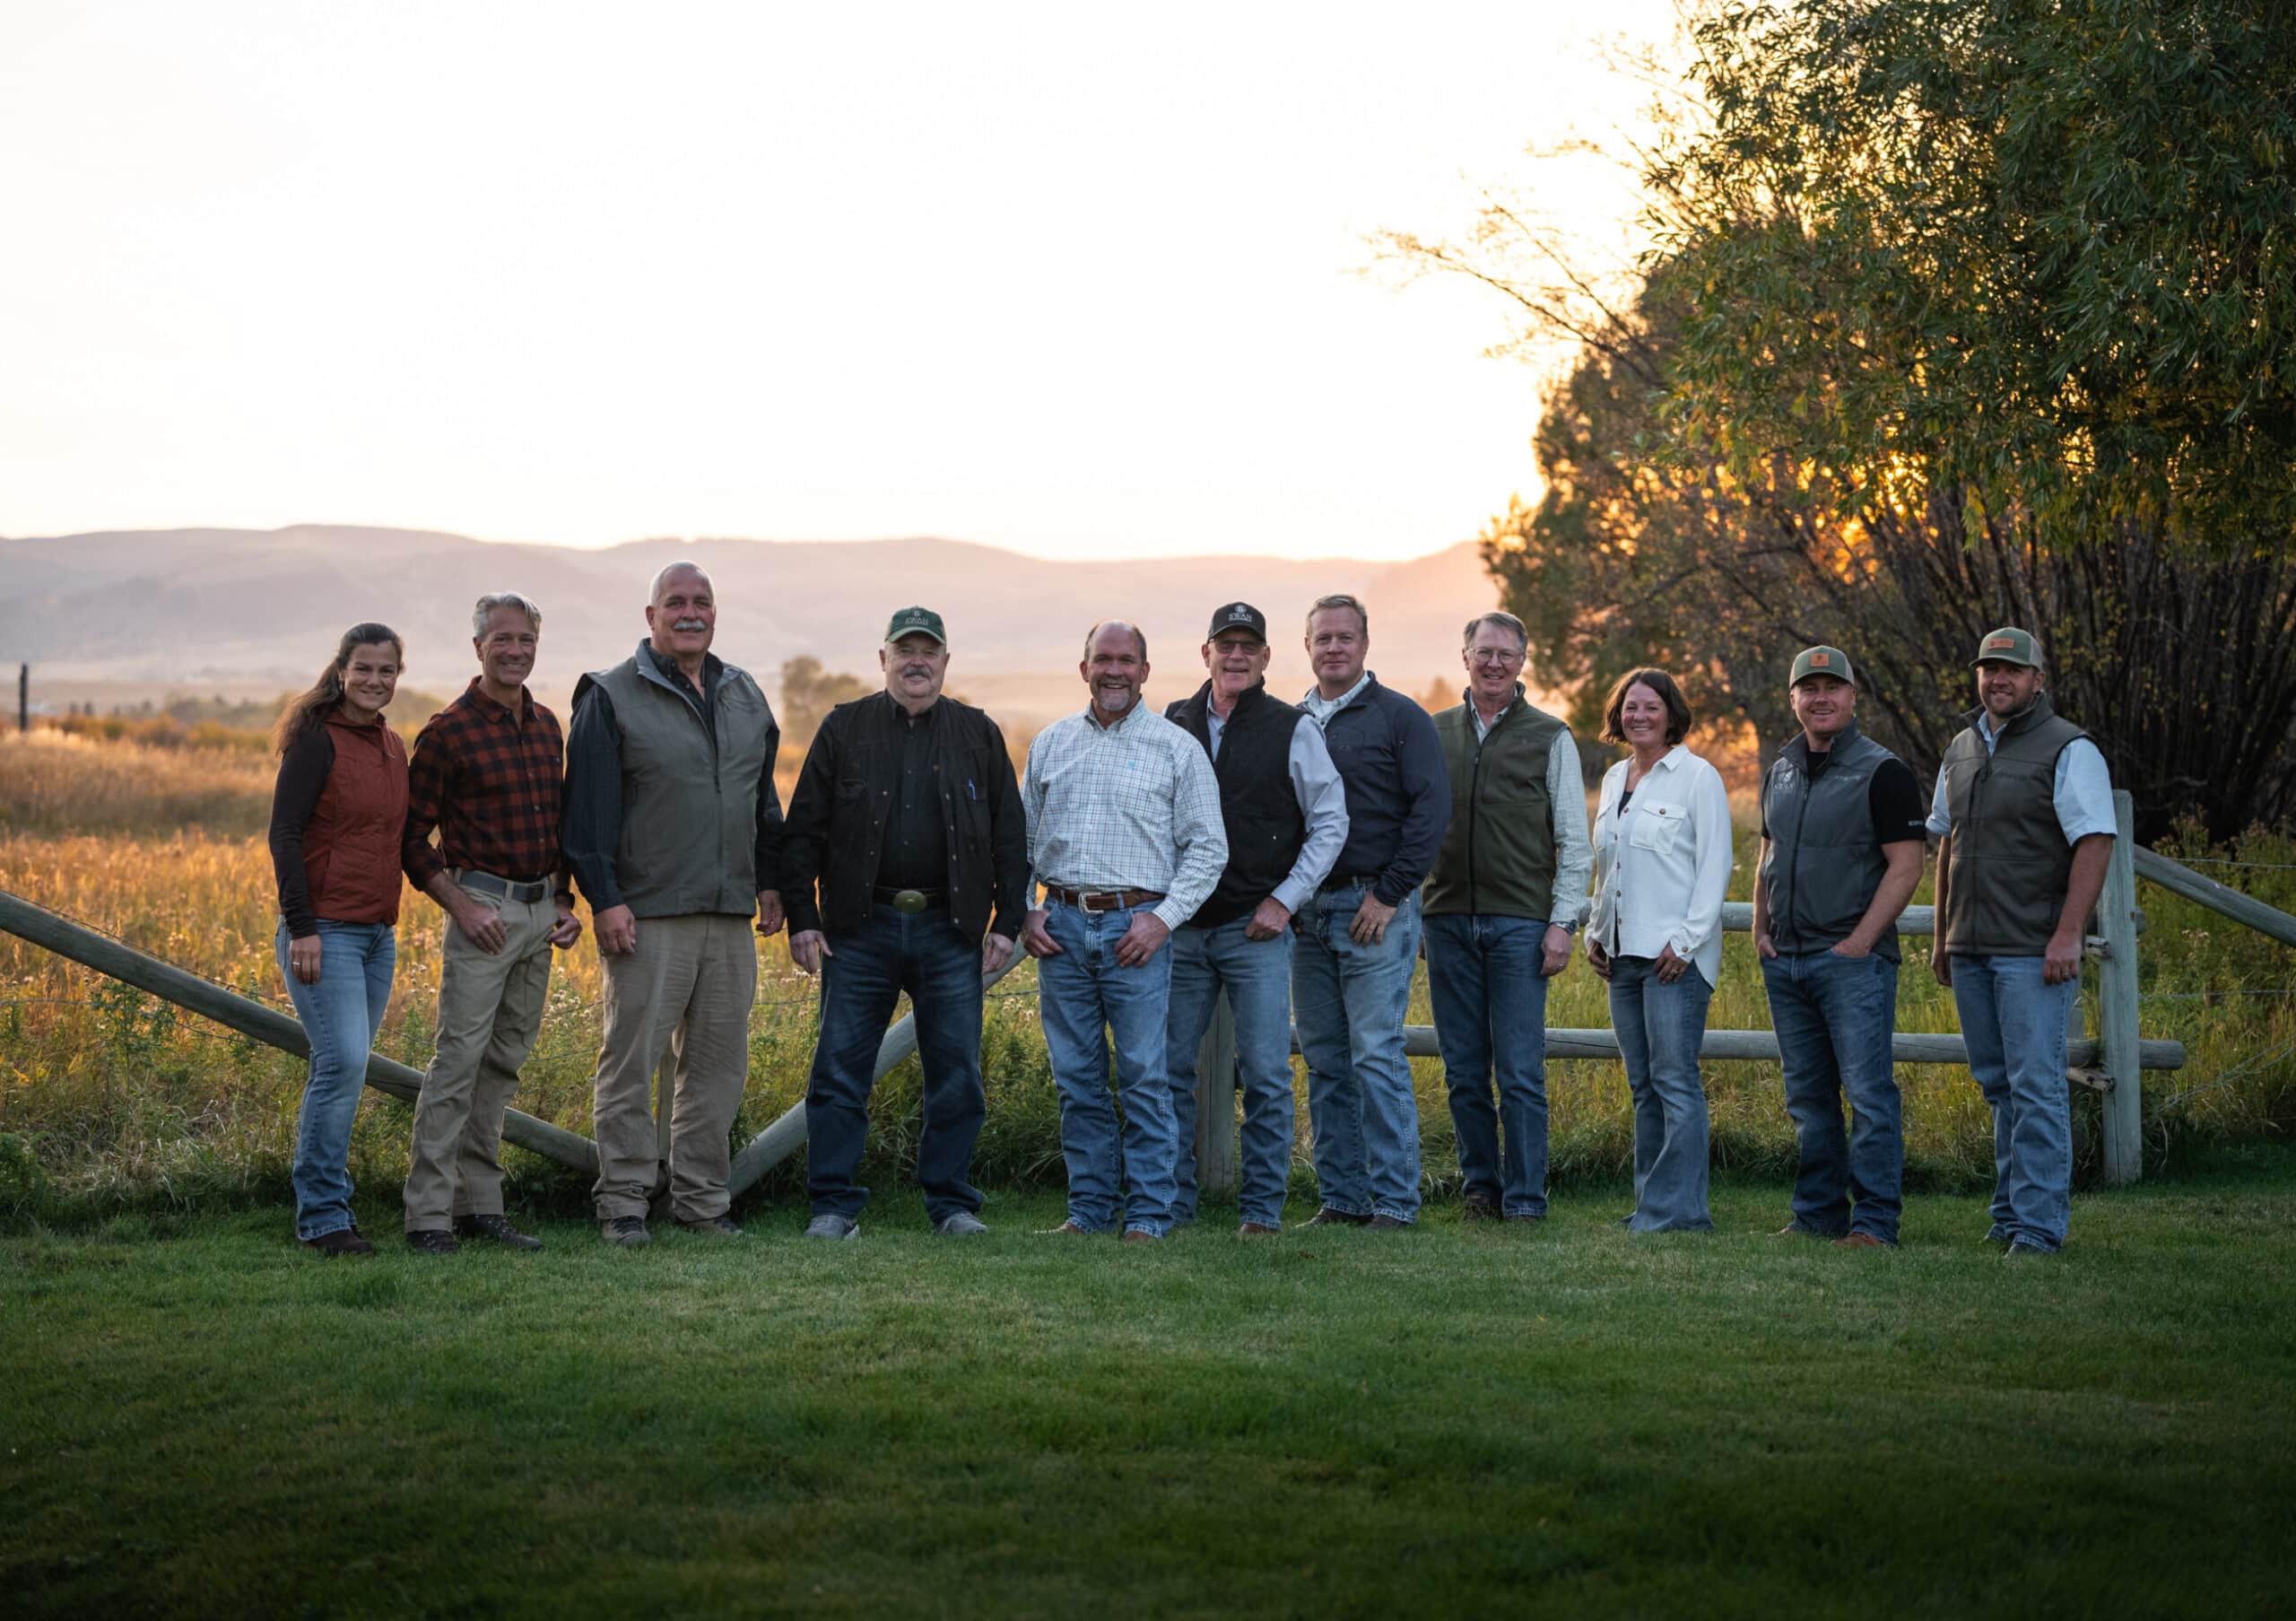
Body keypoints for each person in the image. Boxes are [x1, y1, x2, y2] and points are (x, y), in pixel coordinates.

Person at [783, 606, 1030, 1239]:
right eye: (904, 650)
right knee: (839, 1068)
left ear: (946, 661)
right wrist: (804, 919)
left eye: (929, 650)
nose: (916, 660)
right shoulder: (845, 729)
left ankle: (951, 1204)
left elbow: (1010, 836)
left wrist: (1007, 921)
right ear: (883, 659)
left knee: (956, 1071)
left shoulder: (977, 733)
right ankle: (833, 1206)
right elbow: (803, 829)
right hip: (858, 930)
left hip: (951, 931)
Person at [563, 560, 785, 1246]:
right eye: (676, 602)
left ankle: (702, 1202)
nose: (691, 612)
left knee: (717, 1068)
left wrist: (772, 882)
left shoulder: (746, 695)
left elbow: (762, 801)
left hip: (728, 914)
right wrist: (605, 899)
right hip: (646, 914)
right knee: (630, 1063)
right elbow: (587, 813)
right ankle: (624, 1203)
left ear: (715, 614)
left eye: (702, 602)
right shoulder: (610, 694)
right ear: (651, 615)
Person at [1022, 621, 1226, 1242]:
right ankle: (1088, 1208)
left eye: (1126, 660)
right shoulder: (1050, 744)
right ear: (1083, 668)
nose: (1114, 671)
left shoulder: (1177, 748)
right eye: (1102, 659)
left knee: (1145, 1076)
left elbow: (1208, 849)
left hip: (1136, 930)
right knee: (1077, 1079)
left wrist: (1162, 920)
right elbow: (1018, 843)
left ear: (1145, 670)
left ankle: (1149, 1211)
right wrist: (1022, 910)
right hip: (1058, 926)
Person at [397, 593, 584, 1255]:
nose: (514, 650)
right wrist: (461, 904)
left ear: (537, 645)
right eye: (501, 639)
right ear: (477, 646)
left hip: (538, 913)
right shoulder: (447, 731)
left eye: (525, 640)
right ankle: (426, 1215)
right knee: (457, 1062)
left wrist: (563, 900)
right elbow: (411, 839)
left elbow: (557, 827)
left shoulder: (547, 726)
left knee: (503, 1065)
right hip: (483, 911)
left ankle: (481, 1206)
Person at [1927, 627, 2116, 1259]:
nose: (1998, 679)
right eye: (1989, 669)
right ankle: (2009, 1216)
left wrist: (2067, 934)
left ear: (2038, 679)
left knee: (2035, 1085)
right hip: (1971, 947)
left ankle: (2039, 1228)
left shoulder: (2070, 748)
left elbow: (2095, 840)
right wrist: (1940, 937)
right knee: (1998, 1085)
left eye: (2012, 670)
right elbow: (1946, 842)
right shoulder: (1959, 748)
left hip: (2033, 950)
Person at [1161, 602, 1348, 1236]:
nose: (1236, 655)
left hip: (1255, 929)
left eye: (1249, 646)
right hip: (1182, 930)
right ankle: (1173, 1203)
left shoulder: (1292, 728)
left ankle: (1262, 1210)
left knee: (1267, 1074)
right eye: (1225, 644)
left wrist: (1285, 898)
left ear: (1267, 657)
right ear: (1205, 653)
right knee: (1167, 1071)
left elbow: (1330, 822)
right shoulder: (1173, 722)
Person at [1752, 647, 1926, 1249]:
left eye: (1833, 687)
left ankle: (1875, 1222)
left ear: (1854, 697)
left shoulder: (1884, 772)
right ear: (1793, 698)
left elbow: (1906, 866)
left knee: (1869, 1093)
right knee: (1808, 1097)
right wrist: (1760, 928)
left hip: (1852, 963)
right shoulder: (1782, 769)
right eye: (1809, 688)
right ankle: (1816, 1214)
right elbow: (1768, 853)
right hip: (1789, 961)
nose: (1821, 697)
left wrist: (1859, 942)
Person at [1422, 610, 1591, 1224]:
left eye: (1506, 654)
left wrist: (1561, 923)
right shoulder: (1431, 731)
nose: (1494, 663)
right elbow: (1412, 828)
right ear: (1464, 655)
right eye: (1484, 651)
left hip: (1521, 925)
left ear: (1523, 662)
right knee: (1464, 1071)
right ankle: (1480, 1190)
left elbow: (1574, 839)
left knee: (1519, 1072)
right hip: (1445, 923)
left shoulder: (1551, 735)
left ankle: (1525, 1199)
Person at [1292, 594, 1448, 1229]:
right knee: (1325, 1057)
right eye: (1323, 638)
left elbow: (1431, 813)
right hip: (1305, 912)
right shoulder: (1291, 719)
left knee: (1375, 1053)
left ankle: (1394, 1201)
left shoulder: (1401, 718)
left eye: (1344, 637)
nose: (1333, 647)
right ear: (1306, 647)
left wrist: (1389, 894)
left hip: (1372, 908)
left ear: (1364, 644)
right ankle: (1343, 1196)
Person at [267, 623, 411, 1257]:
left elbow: (399, 841)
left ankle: (332, 1206)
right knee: (342, 1064)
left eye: (386, 671)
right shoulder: (316, 742)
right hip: (324, 932)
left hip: (379, 937)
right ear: (342, 670)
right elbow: (285, 836)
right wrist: (302, 927)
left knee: (345, 1070)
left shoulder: (391, 747)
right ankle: (323, 1214)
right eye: (364, 669)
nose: (375, 681)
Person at [1587, 667, 1732, 1233]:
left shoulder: (1698, 778)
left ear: (1671, 713)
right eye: (1629, 707)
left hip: (1674, 958)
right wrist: (1597, 931)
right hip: (1622, 958)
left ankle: (1684, 1212)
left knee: (1675, 1082)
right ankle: (1652, 1205)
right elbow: (1611, 869)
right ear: (1617, 716)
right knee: (1643, 1086)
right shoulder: (1616, 775)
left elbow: (1714, 866)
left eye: (1650, 706)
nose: (1639, 715)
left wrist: (1687, 941)